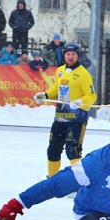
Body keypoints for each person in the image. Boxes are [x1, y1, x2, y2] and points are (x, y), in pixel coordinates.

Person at [33, 41, 98, 177]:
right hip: (60, 117)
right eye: (68, 54)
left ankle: (77, 183)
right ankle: (52, 180)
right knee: (53, 149)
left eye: (73, 54)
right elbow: (56, 89)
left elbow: (91, 95)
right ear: (64, 56)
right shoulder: (60, 71)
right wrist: (44, 95)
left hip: (77, 119)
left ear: (78, 56)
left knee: (73, 151)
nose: (70, 57)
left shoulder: (83, 74)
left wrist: (80, 102)